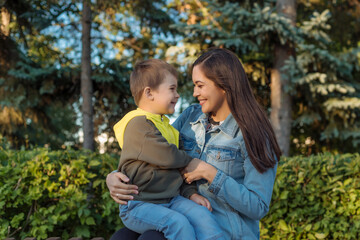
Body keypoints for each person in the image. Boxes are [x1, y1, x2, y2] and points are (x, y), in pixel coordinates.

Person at [107, 48, 282, 240]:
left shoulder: (254, 134)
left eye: (200, 85)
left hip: (220, 232)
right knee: (122, 237)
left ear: (224, 85)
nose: (194, 93)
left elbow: (258, 206)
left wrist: (210, 173)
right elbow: (153, 151)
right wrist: (115, 176)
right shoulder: (190, 116)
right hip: (180, 219)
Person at [112, 59, 224, 240]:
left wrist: (191, 194)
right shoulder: (138, 124)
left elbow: (180, 171)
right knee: (177, 224)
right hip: (138, 205)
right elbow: (167, 156)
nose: (178, 95)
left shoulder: (169, 129)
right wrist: (192, 161)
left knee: (202, 216)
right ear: (149, 93)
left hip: (170, 200)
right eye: (172, 89)